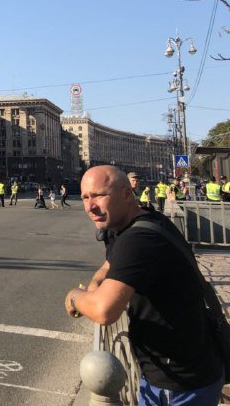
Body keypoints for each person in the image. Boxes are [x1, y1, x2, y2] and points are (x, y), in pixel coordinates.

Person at [64, 165, 224, 405]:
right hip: (178, 369)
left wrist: (75, 297)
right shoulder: (145, 221)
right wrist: (96, 283)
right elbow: (109, 265)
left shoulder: (138, 239)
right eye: (85, 197)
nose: (90, 206)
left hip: (180, 382)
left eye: (98, 195)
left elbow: (104, 311)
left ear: (126, 194)